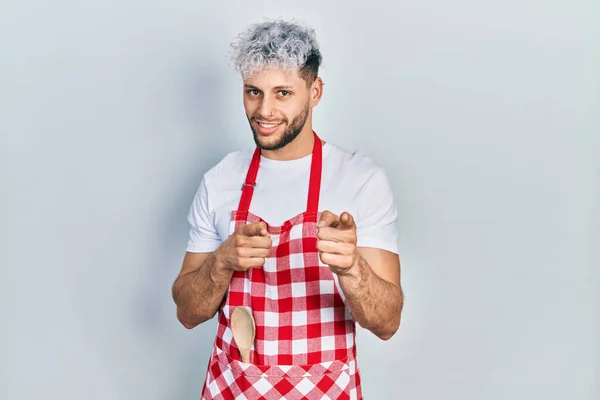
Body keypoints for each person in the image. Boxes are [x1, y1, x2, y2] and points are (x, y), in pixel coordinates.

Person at [172, 19, 404, 400]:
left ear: (315, 92)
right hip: (236, 389)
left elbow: (387, 322)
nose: (264, 110)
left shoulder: (360, 180)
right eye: (253, 92)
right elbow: (187, 312)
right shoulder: (220, 180)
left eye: (283, 93)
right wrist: (222, 260)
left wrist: (351, 267)